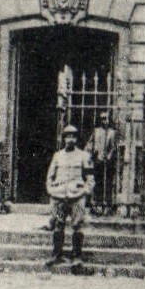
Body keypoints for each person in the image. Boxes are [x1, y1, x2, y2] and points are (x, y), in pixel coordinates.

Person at [45, 123, 91, 268]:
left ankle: (77, 257)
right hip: (59, 197)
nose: (70, 139)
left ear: (77, 139)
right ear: (63, 139)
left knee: (77, 226)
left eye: (73, 137)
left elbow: (90, 178)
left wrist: (85, 190)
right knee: (58, 225)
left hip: (77, 196)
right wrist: (51, 190)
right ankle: (56, 255)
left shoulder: (84, 156)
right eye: (68, 137)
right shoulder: (57, 156)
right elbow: (50, 176)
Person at [85, 111, 118, 214]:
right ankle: (96, 205)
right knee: (98, 182)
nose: (105, 121)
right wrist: (90, 154)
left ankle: (108, 205)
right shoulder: (96, 131)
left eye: (106, 118)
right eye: (103, 119)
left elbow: (114, 147)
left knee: (108, 182)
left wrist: (109, 156)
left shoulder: (112, 132)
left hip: (108, 162)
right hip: (98, 160)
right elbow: (90, 144)